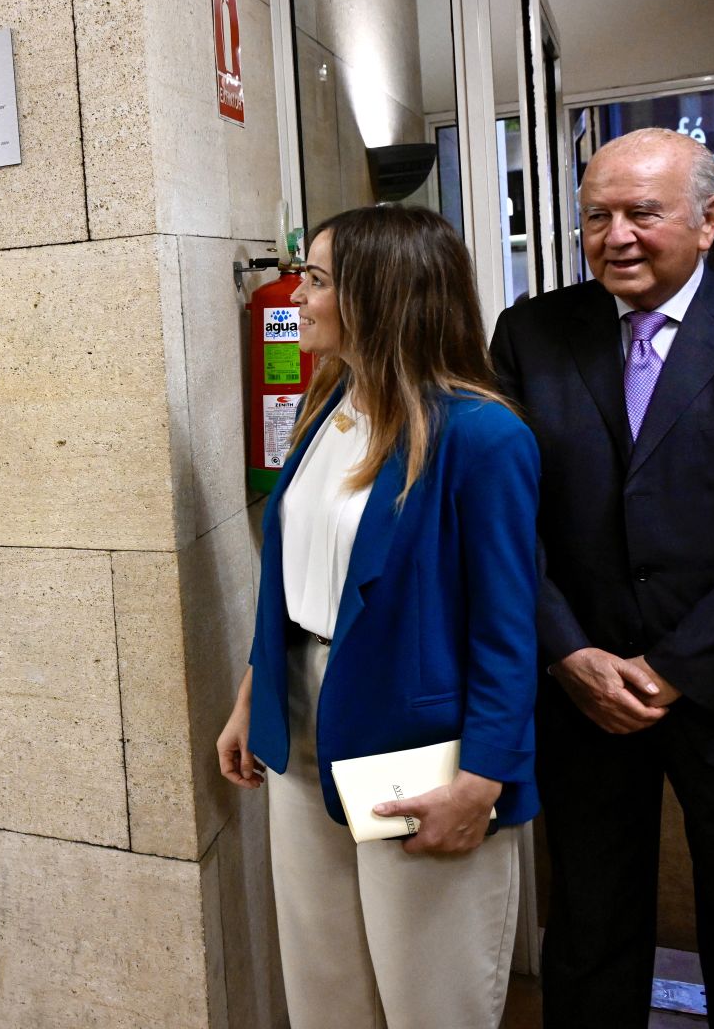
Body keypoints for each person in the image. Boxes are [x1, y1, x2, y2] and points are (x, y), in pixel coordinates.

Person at [216, 204, 540, 1029]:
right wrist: (254, 692)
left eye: (319, 281)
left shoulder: (481, 436)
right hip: (300, 720)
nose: (301, 298)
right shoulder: (331, 407)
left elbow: (509, 627)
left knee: (431, 994)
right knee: (326, 989)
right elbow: (295, 574)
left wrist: (484, 778)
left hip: (416, 745)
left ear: (381, 295)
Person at [490, 127, 714, 1029]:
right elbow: (503, 522)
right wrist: (567, 652)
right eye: (596, 216)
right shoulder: (532, 333)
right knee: (592, 926)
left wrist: (679, 664)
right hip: (585, 693)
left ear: (710, 218)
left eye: (643, 213)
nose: (617, 237)